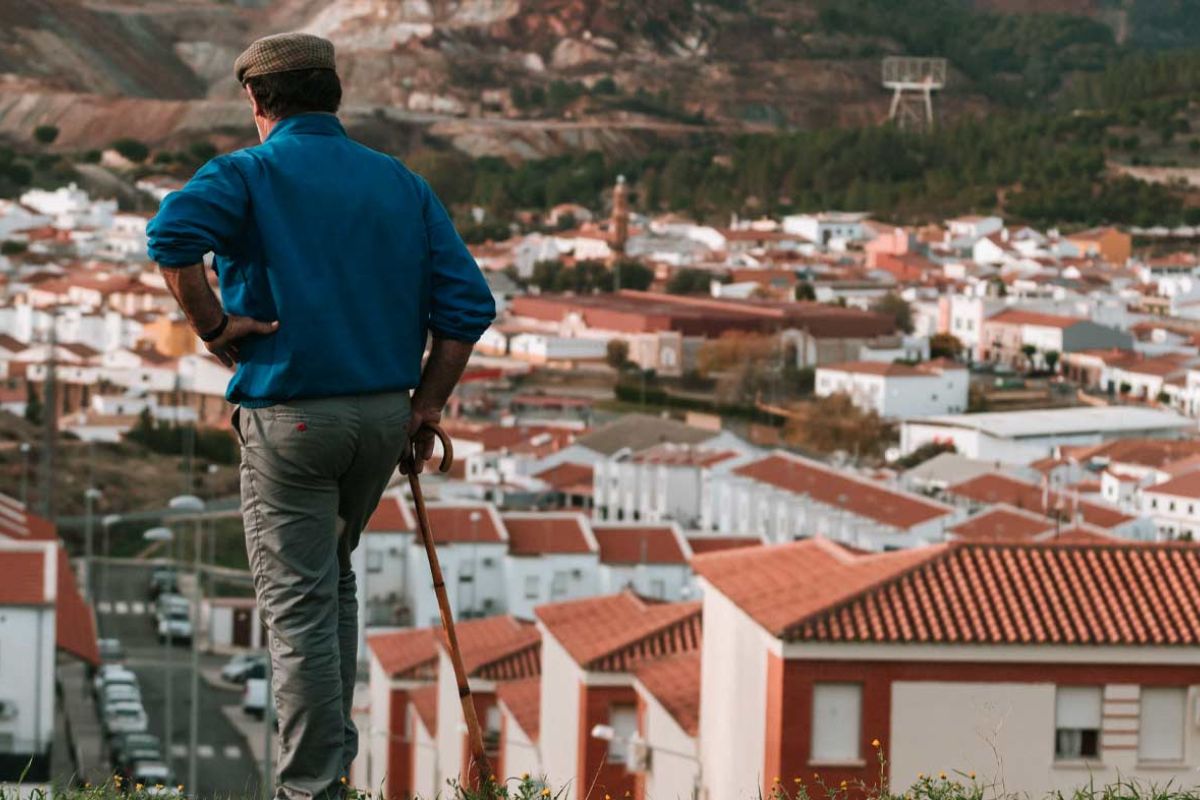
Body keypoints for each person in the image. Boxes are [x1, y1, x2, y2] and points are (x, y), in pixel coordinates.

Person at [146, 32, 495, 800]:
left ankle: (310, 789)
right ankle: (332, 767)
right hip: (381, 421)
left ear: (255, 99)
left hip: (291, 420)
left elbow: (171, 240)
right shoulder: (399, 183)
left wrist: (212, 327)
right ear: (333, 94)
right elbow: (468, 307)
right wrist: (427, 405)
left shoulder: (247, 173)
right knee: (332, 582)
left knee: (298, 605)